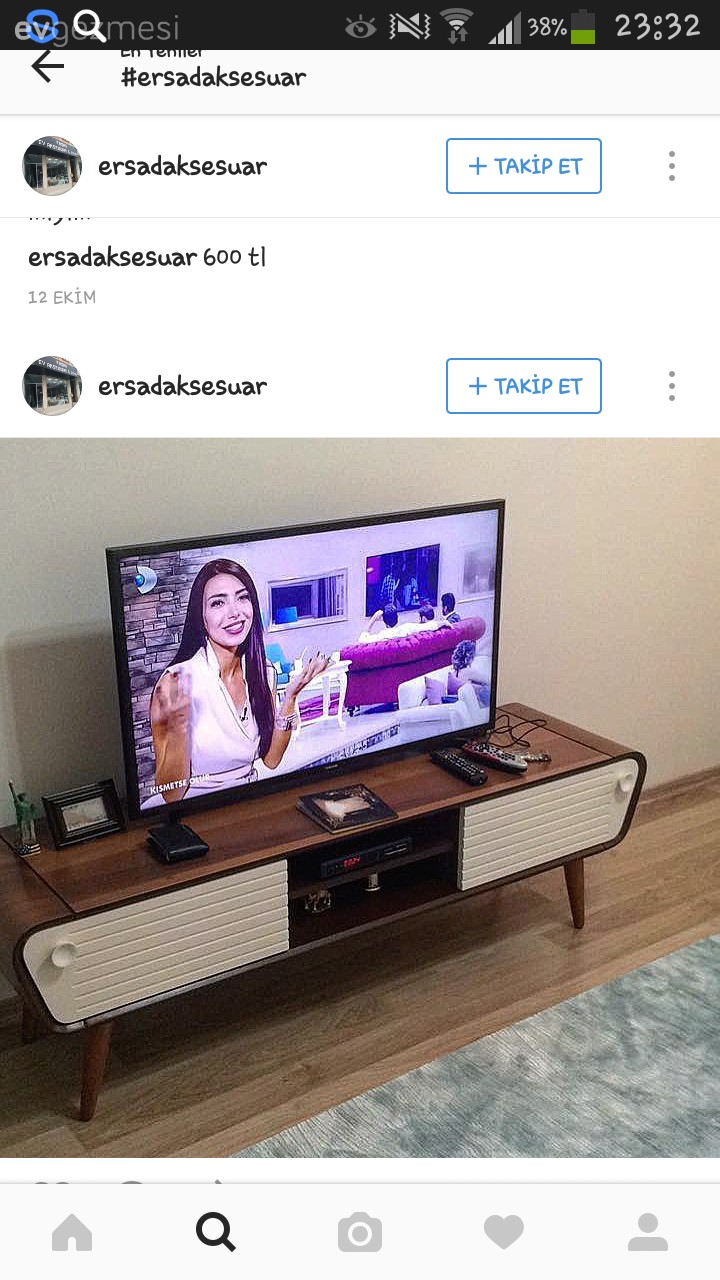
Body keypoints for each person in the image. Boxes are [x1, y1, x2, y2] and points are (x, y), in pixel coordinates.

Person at [149, 558, 329, 804]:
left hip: (248, 801)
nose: (234, 613)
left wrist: (290, 698)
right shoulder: (176, 682)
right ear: (201, 617)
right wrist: (180, 726)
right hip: (197, 809)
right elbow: (171, 794)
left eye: (242, 597)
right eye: (218, 602)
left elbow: (271, 760)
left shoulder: (264, 673)